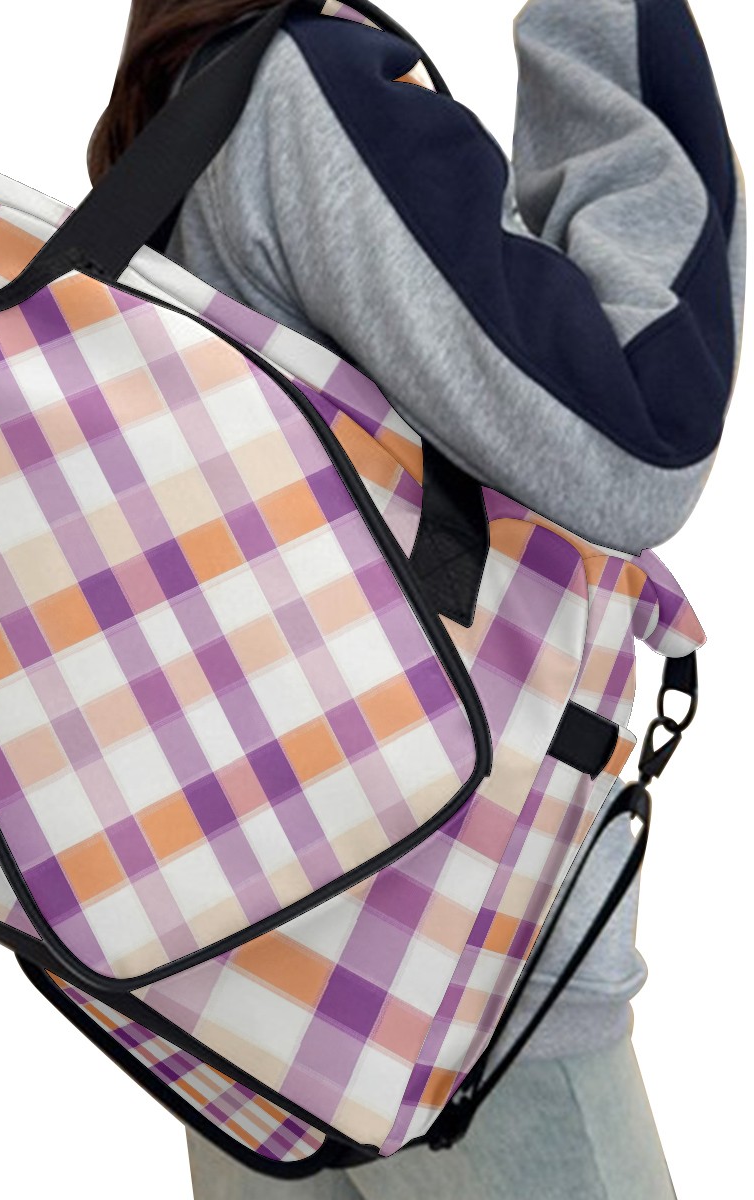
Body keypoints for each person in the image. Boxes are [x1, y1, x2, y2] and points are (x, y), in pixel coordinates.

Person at [87, 2, 744, 1197]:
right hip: (453, 984)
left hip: (228, 969)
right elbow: (639, 432)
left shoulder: (178, 127)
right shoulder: (311, 90)